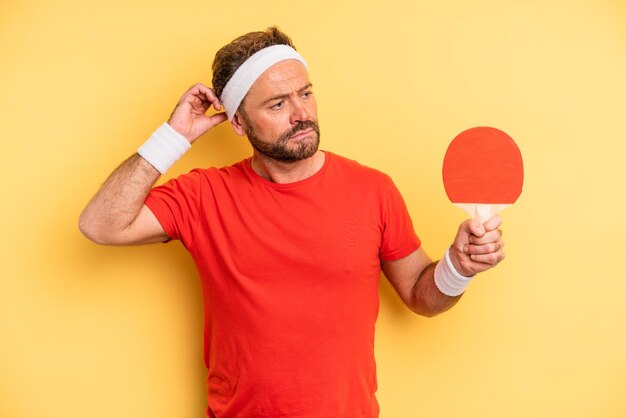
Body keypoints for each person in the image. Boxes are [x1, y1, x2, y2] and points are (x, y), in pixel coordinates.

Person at [79, 27, 505, 418]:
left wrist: (457, 268)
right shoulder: (203, 196)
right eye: (278, 104)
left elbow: (420, 295)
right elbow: (101, 225)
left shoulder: (373, 190)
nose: (301, 113)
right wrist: (173, 137)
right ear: (239, 123)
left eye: (305, 93)